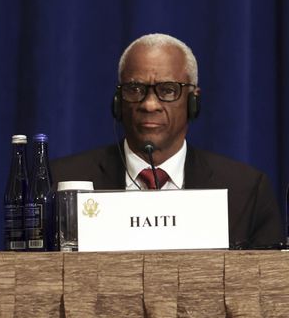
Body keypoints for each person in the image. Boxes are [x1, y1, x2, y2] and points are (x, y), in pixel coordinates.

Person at [51, 33, 283, 249]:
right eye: (135, 89)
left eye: (169, 90)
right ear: (118, 102)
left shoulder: (245, 191)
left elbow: (271, 285)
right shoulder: (60, 182)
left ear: (194, 101)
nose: (149, 104)